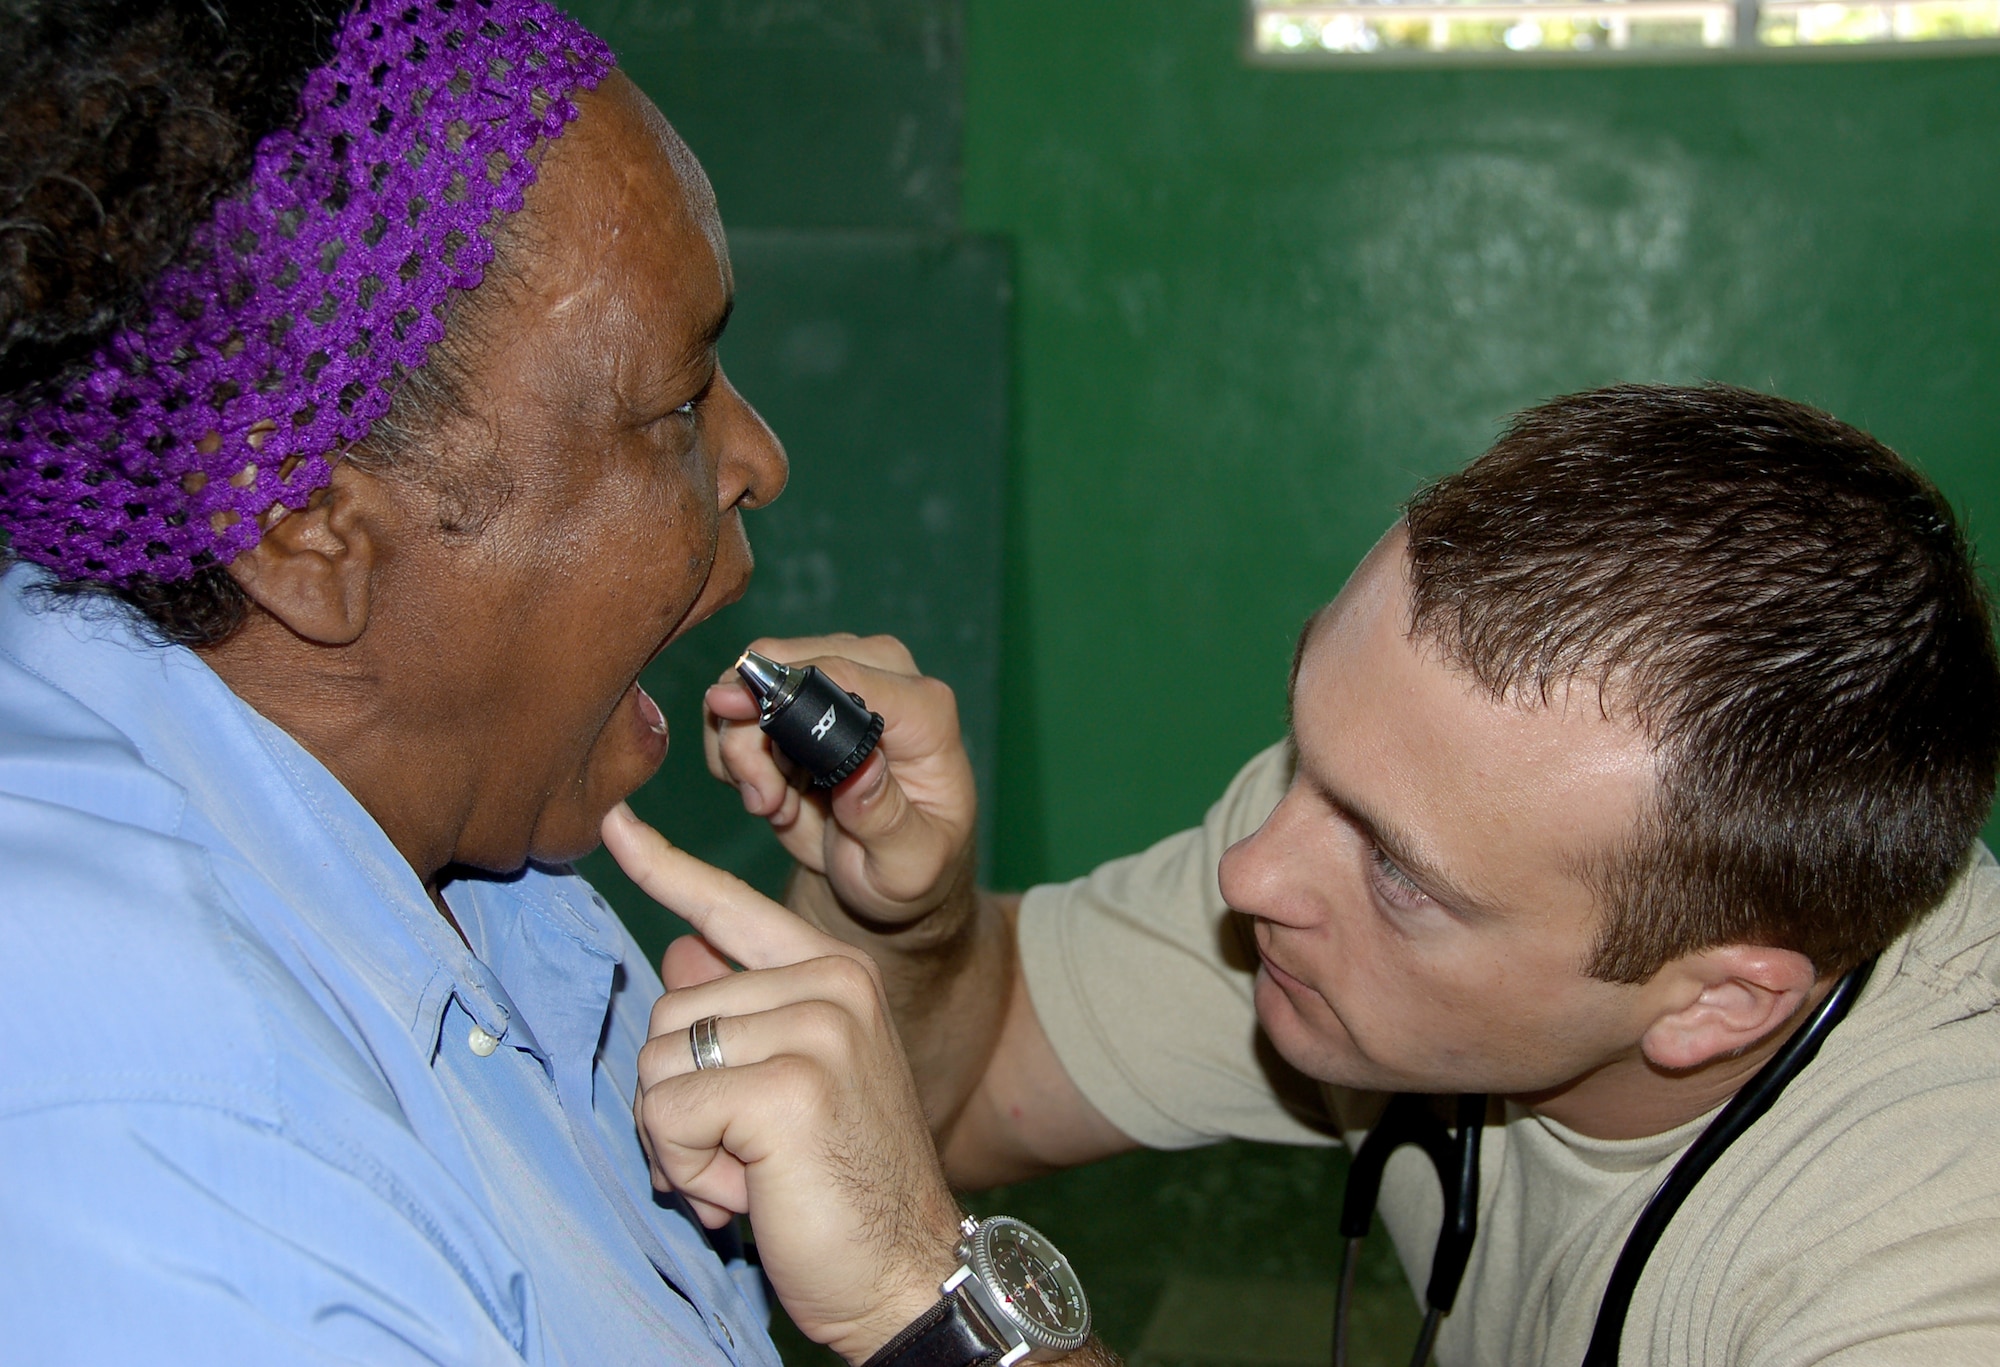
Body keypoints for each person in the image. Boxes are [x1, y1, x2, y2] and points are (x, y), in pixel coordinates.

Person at [0, 2, 1018, 1362]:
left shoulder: (445, 834)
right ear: (305, 528)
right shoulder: (186, 1168)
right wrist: (932, 1318)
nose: (758, 457)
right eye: (675, 405)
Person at [660, 383, 2000, 1365]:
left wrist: (933, 1314)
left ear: (1715, 1003)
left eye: (1403, 875)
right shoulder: (1352, 843)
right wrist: (904, 912)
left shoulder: (1926, 1277)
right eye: (1306, 746)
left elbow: (913, 1207)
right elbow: (979, 1075)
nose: (1253, 869)